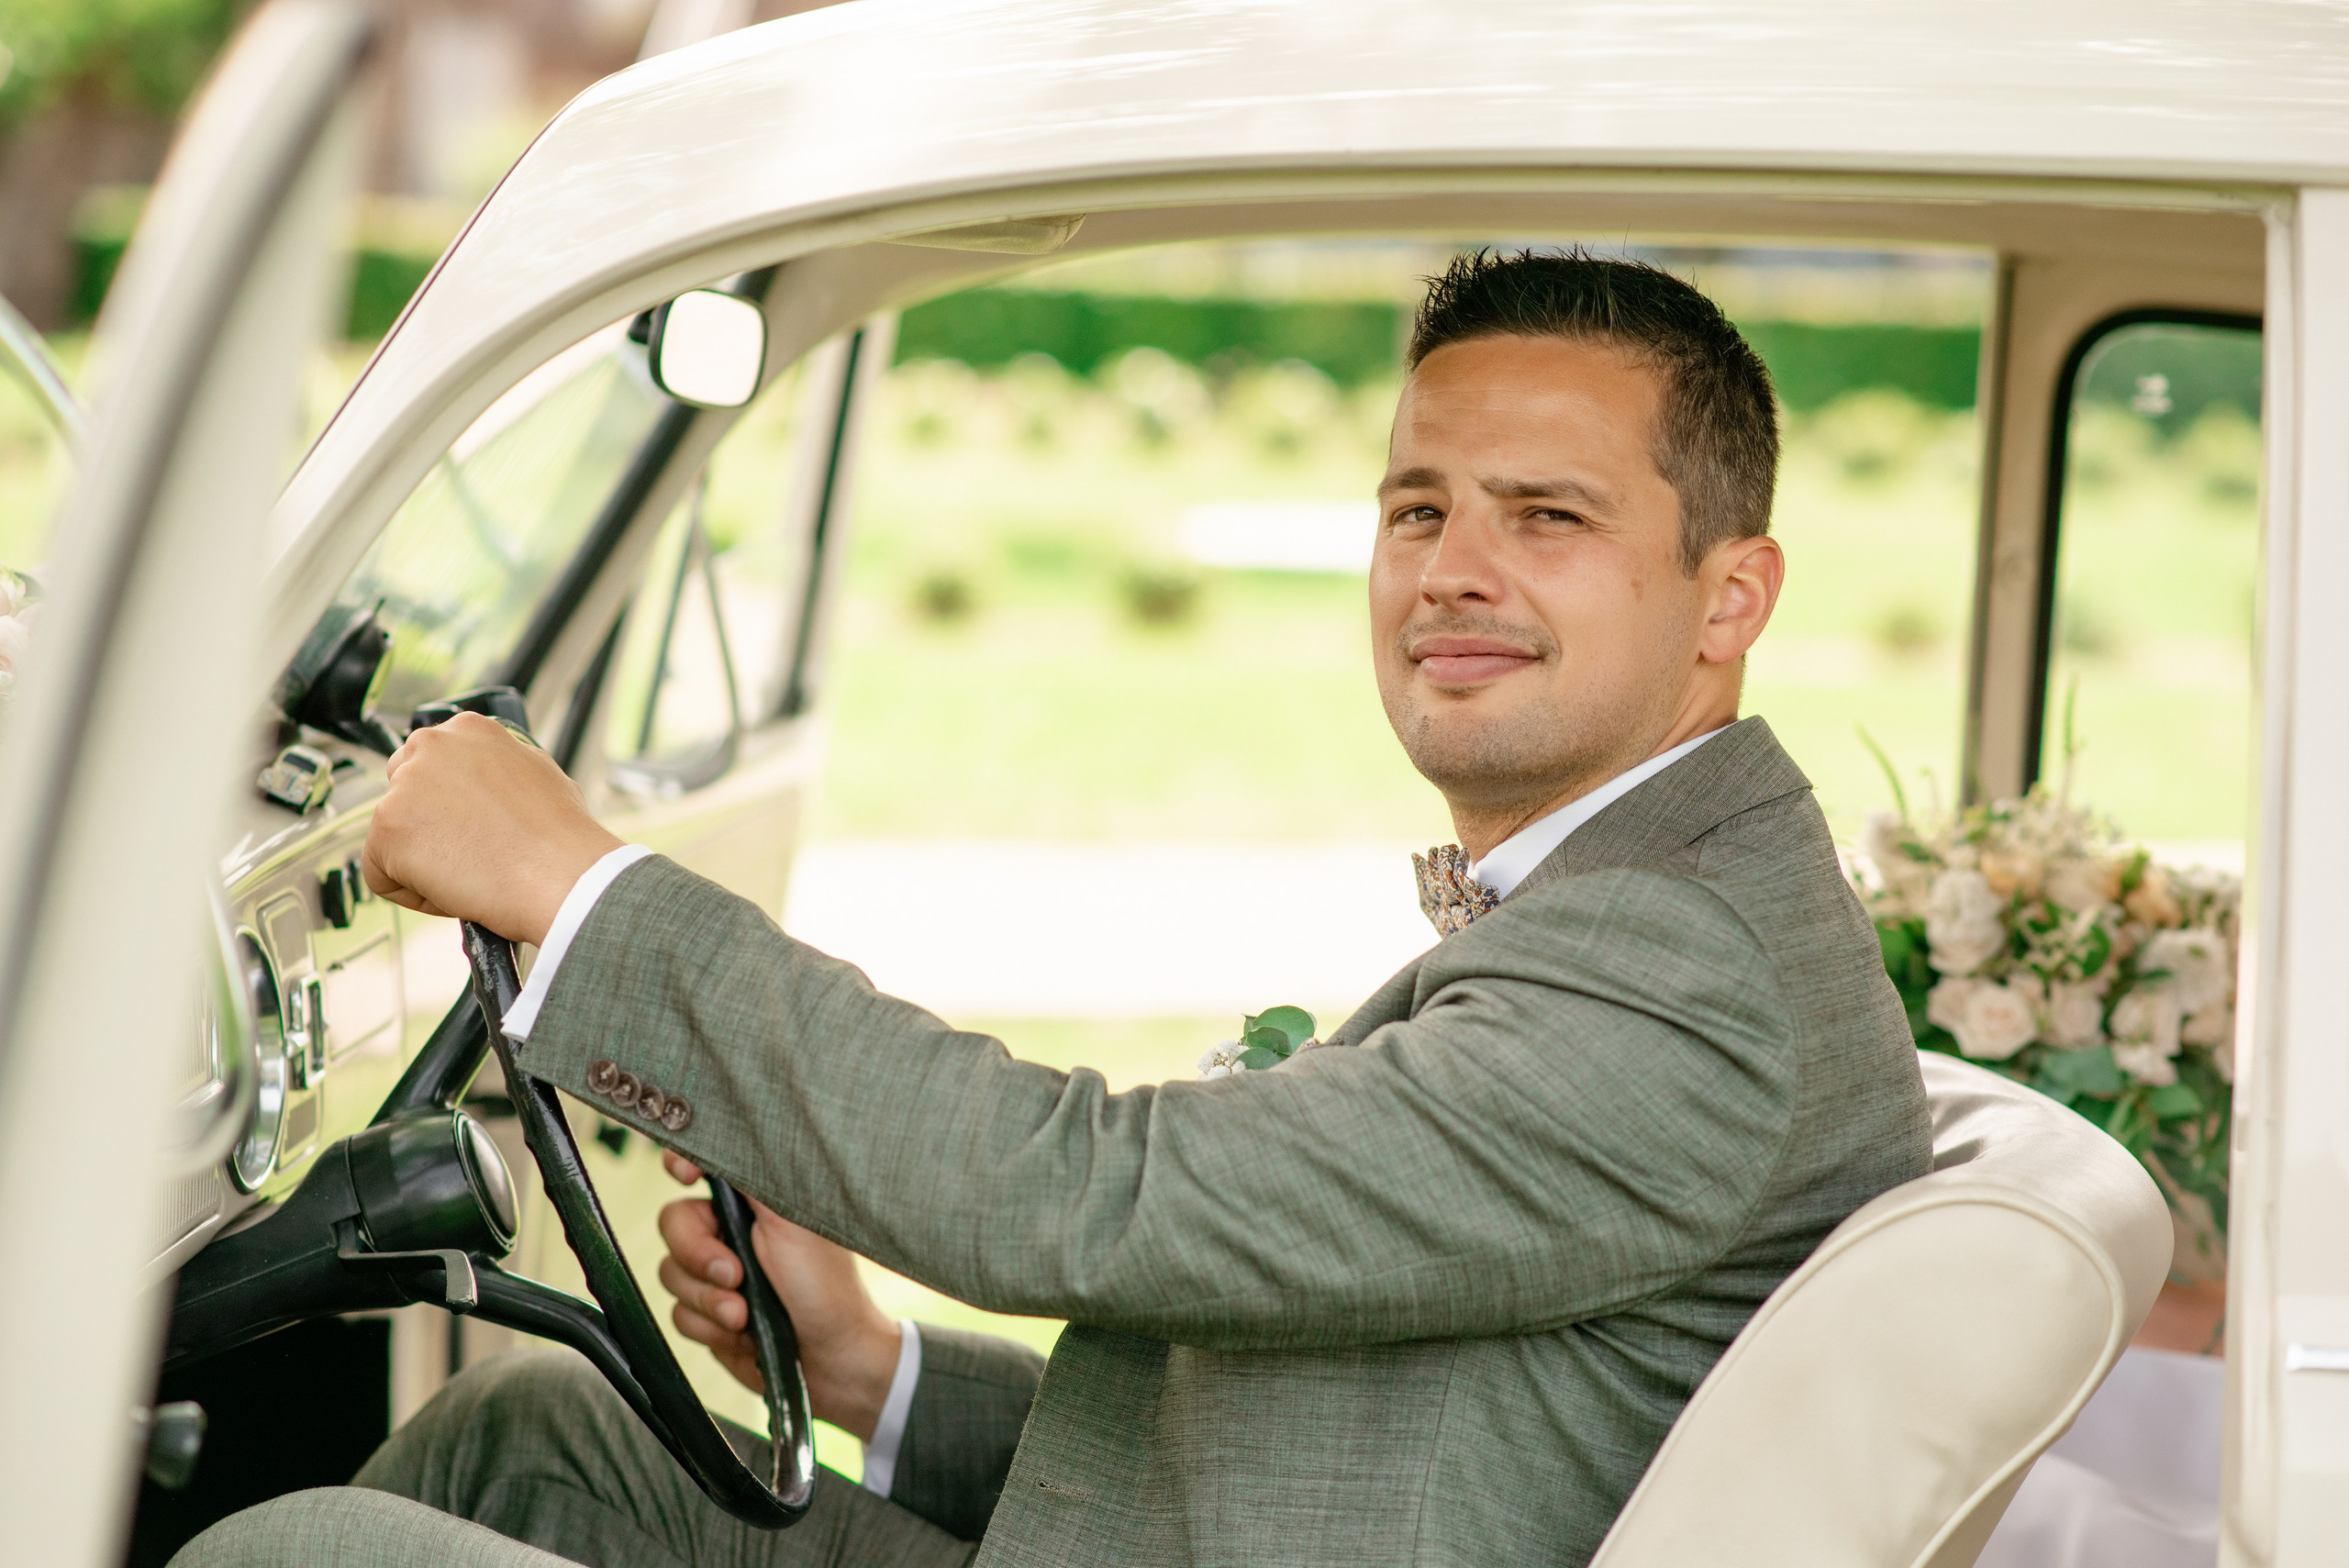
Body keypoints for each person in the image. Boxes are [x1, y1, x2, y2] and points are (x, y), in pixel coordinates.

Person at [174, 250, 1930, 1568]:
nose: (1452, 568)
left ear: (1730, 596)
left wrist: (582, 894)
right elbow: (1315, 1454)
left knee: (294, 1555)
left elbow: (1095, 1193)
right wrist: (869, 1368)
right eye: (1418, 507)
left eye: (1546, 516)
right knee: (529, 1440)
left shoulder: (1677, 976)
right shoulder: (1662, 895)